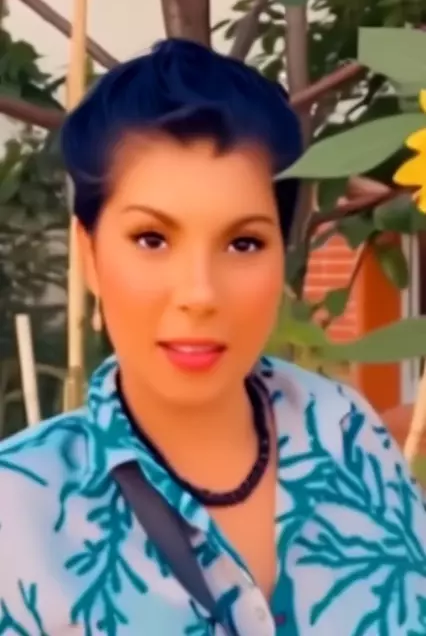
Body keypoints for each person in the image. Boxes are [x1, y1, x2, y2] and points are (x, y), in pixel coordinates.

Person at [0, 39, 425, 636]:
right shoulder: (17, 510)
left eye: (243, 243)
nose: (200, 293)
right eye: (152, 239)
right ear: (89, 254)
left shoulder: (345, 431)